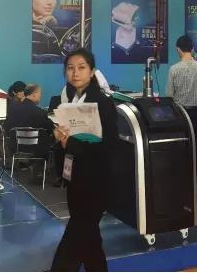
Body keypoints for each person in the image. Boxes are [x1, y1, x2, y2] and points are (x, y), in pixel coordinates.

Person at [50, 48, 118, 271]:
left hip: (96, 179)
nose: (75, 73)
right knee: (90, 238)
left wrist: (70, 143)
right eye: (70, 68)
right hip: (75, 178)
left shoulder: (103, 103)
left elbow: (110, 144)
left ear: (92, 71)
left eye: (81, 67)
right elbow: (63, 141)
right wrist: (58, 136)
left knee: (76, 234)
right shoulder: (68, 101)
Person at [167, 35, 197, 198]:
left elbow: (170, 95)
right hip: (196, 114)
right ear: (192, 49)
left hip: (180, 114)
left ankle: (181, 189)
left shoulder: (174, 70)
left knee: (180, 150)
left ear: (178, 50)